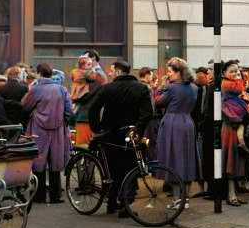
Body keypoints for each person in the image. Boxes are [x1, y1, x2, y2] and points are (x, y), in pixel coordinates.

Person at [85, 59, 154, 215]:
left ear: (118, 71)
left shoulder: (108, 88)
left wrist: (97, 128)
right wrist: (138, 128)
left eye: (111, 70)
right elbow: (148, 113)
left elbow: (93, 108)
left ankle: (111, 201)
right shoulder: (141, 88)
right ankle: (125, 204)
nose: (109, 73)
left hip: (110, 134)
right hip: (132, 135)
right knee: (131, 168)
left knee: (112, 169)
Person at [22, 63, 72, 204]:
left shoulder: (36, 89)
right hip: (58, 129)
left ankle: (39, 195)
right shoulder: (62, 89)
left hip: (39, 129)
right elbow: (69, 109)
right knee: (55, 161)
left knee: (39, 162)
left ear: (39, 73)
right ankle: (56, 196)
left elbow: (26, 107)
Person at [154, 58, 198, 208]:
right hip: (188, 122)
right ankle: (185, 199)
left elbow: (158, 102)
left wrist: (160, 86)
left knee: (172, 160)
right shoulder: (194, 87)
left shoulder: (172, 88)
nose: (169, 75)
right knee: (187, 159)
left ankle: (177, 199)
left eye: (170, 72)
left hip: (172, 123)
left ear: (179, 72)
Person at [220, 61, 249, 206]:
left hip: (237, 124)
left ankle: (234, 193)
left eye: (236, 71)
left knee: (237, 161)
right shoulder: (227, 85)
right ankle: (231, 194)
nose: (235, 74)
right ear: (224, 74)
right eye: (232, 71)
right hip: (230, 126)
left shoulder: (233, 85)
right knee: (231, 161)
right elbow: (242, 87)